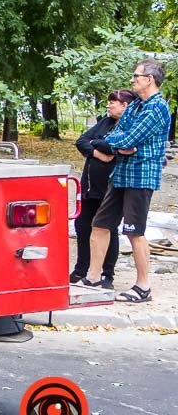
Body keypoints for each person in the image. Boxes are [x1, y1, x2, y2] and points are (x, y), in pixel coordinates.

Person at [86, 59, 172, 302]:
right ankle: (93, 278)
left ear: (150, 79)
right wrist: (122, 146)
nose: (132, 79)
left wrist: (123, 145)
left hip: (140, 177)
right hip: (121, 174)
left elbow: (130, 138)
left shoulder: (157, 108)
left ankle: (143, 287)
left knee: (135, 232)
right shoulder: (135, 106)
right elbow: (116, 136)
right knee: (100, 224)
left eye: (136, 76)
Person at [70, 90, 134, 287]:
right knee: (82, 226)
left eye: (113, 102)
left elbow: (116, 146)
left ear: (125, 105)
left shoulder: (130, 125)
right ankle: (82, 269)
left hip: (110, 187)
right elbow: (81, 141)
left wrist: (98, 144)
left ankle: (107, 274)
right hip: (90, 185)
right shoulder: (105, 122)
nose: (109, 106)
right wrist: (98, 153)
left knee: (107, 228)